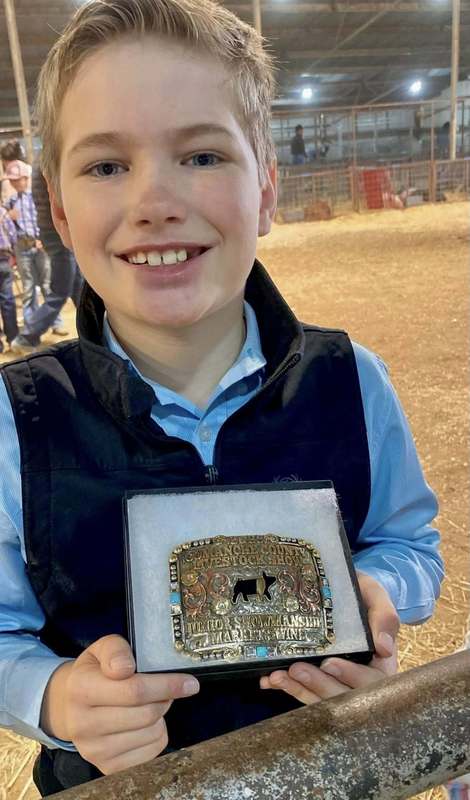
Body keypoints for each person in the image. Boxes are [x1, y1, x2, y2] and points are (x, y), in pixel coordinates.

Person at [0, 0, 443, 795]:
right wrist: (59, 696)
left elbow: (410, 544)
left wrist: (378, 592)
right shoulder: (17, 419)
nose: (155, 200)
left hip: (325, 771)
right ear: (61, 213)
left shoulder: (351, 380)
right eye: (107, 166)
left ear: (267, 189)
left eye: (202, 156)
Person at [9, 164, 83, 354]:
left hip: (55, 235)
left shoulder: (43, 162)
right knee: (60, 291)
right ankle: (27, 337)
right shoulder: (50, 161)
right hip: (60, 236)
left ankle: (96, 332)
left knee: (78, 288)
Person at [3, 159, 65, 339]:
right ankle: (32, 329)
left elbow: (46, 219)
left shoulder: (36, 197)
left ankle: (56, 323)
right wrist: (9, 216)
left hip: (39, 245)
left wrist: (43, 239)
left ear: (25, 178)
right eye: (12, 180)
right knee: (29, 288)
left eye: (17, 179)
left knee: (47, 285)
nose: (15, 183)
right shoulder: (11, 202)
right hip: (22, 247)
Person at [0, 206, 19, 352]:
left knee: (8, 301)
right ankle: (12, 338)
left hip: (4, 261)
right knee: (8, 301)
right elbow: (12, 235)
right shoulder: (2, 212)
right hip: (3, 259)